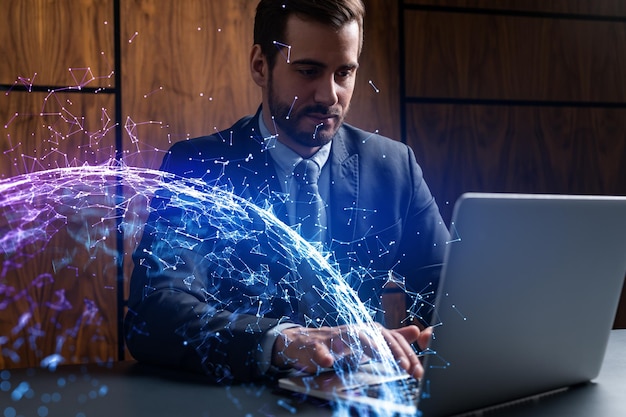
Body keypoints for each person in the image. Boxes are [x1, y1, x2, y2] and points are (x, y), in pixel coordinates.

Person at [124, 0, 450, 383]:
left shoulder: (394, 167)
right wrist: (282, 342)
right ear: (261, 65)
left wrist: (449, 336)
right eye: (309, 71)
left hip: (362, 396)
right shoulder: (198, 166)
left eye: (344, 72)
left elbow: (452, 290)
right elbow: (154, 313)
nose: (329, 95)